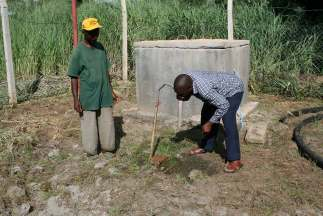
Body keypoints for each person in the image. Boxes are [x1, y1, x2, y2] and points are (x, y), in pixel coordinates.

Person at [67, 17, 120, 156]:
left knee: (107, 125)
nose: (95, 34)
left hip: (104, 93)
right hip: (89, 95)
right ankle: (91, 151)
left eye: (97, 31)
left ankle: (107, 148)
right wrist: (75, 99)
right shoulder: (79, 51)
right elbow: (73, 76)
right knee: (90, 139)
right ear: (84, 32)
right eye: (91, 32)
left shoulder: (101, 47)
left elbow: (105, 71)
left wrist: (111, 90)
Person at [173, 71, 244, 173]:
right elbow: (186, 91)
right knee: (206, 115)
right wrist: (181, 95)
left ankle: (235, 160)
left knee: (228, 120)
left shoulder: (205, 90)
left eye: (182, 93)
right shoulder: (185, 78)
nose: (180, 96)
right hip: (217, 89)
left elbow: (224, 105)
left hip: (233, 89)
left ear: (190, 88)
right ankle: (206, 146)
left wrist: (210, 123)